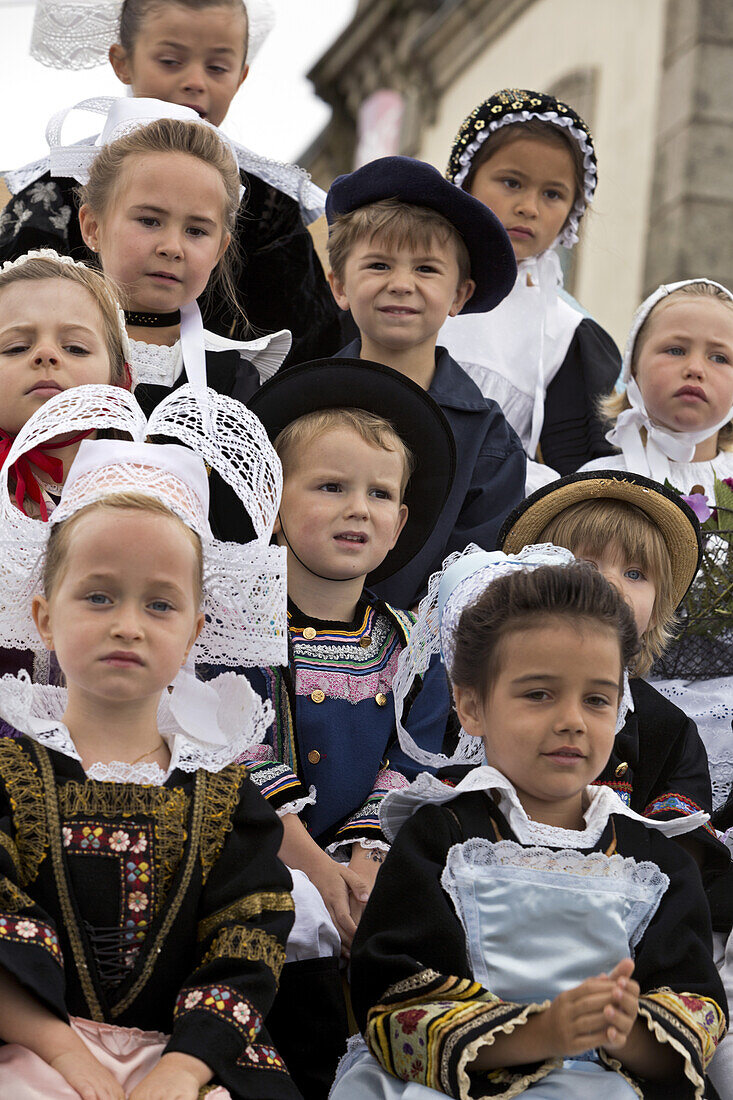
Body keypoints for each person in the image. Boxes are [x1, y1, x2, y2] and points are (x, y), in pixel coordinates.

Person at [330, 547, 726, 1099]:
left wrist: (625, 1032)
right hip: (459, 1082)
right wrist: (540, 1032)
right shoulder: (442, 837)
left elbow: (698, 1001)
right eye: (538, 694)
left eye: (596, 699)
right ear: (471, 707)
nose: (571, 721)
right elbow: (392, 995)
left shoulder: (651, 861)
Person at [0, 383, 302, 1097]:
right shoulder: (11, 774)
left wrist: (183, 1066)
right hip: (32, 1047)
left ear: (196, 631)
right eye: (98, 596)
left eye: (159, 603)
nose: (128, 625)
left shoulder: (227, 796)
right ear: (45, 616)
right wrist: (68, 1058)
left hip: (186, 1058)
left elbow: (246, 943)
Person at [242, 358, 457, 1098]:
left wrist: (361, 865)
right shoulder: (235, 635)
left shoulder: (411, 647)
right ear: (271, 500)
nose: (356, 509)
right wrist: (317, 870)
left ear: (400, 524)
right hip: (264, 875)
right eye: (330, 487)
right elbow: (242, 755)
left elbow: (411, 760)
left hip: (372, 882)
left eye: (378, 494)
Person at [1, 0, 342, 364]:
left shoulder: (267, 205)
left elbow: (311, 353)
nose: (194, 82)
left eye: (217, 67)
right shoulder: (51, 195)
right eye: (170, 61)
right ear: (122, 61)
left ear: (241, 76)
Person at [498, 469, 730, 876]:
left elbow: (681, 861)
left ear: (658, 608)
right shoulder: (494, 698)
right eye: (586, 565)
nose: (611, 585)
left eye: (636, 574)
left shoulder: (667, 728)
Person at [326, 154, 526, 608]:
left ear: (459, 295)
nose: (401, 283)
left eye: (426, 269)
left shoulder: (489, 442)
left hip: (420, 664)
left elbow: (473, 581)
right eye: (378, 265)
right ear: (339, 286)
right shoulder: (294, 405)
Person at [579, 279, 733, 809]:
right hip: (622, 710)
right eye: (675, 349)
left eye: (720, 357)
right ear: (633, 369)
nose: (696, 367)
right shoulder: (599, 480)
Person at [439, 88, 621, 487]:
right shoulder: (410, 279)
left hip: (485, 514)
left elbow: (578, 469)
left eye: (552, 194)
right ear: (466, 181)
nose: (530, 207)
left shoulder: (567, 333)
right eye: (511, 182)